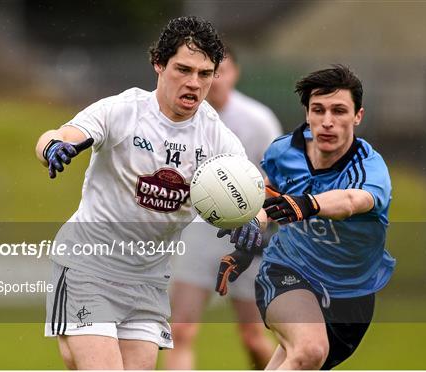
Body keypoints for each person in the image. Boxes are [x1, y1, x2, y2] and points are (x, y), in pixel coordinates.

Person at [35, 16, 264, 370]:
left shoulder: (218, 138)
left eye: (205, 74)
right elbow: (59, 134)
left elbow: (251, 201)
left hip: (148, 278)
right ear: (158, 63)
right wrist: (54, 147)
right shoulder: (123, 111)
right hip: (88, 266)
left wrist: (251, 221)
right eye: (183, 69)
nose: (193, 83)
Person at [220, 64, 396, 369]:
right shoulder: (283, 152)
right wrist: (252, 227)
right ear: (307, 113)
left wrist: (308, 203)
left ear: (358, 116)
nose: (327, 121)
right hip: (287, 271)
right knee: (310, 350)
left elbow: (353, 200)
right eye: (318, 110)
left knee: (299, 359)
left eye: (339, 111)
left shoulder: (370, 168)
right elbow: (267, 197)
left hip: (351, 293)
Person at [164, 51, 281, 370]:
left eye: (221, 71)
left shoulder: (257, 120)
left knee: (253, 336)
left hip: (246, 236)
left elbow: (275, 181)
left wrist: (254, 219)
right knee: (181, 332)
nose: (214, 79)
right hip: (198, 235)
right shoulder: (181, 117)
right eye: (208, 72)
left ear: (235, 74)